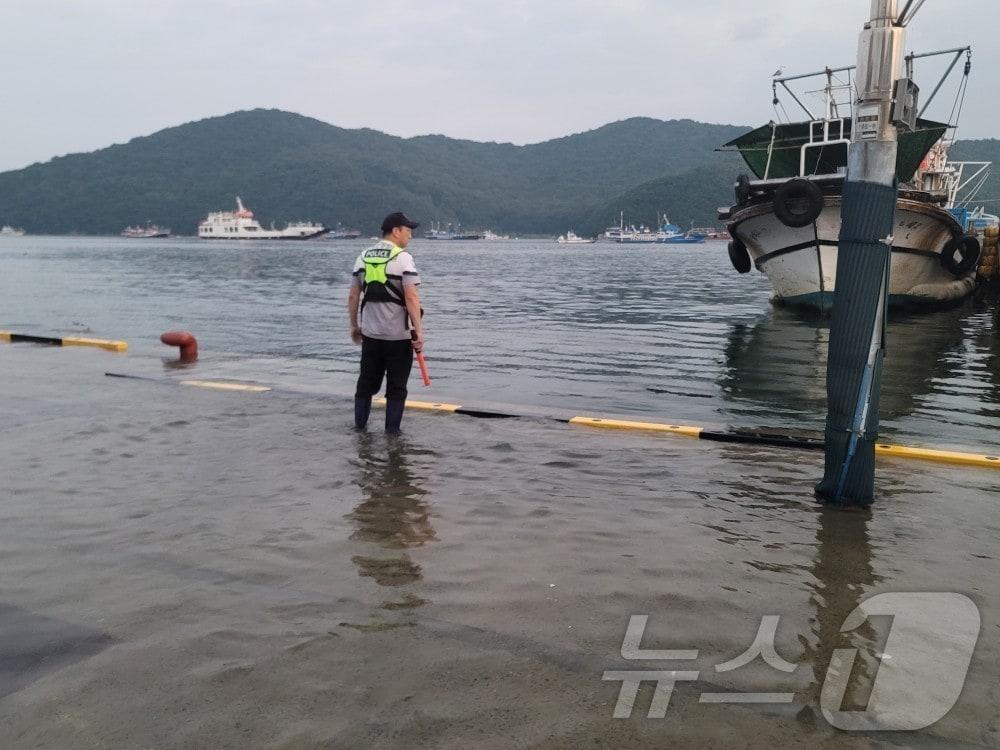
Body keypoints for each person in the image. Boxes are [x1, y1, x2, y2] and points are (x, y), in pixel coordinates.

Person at [348, 212, 424, 433]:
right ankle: (392, 436)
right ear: (396, 231)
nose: (410, 236)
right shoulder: (403, 258)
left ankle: (359, 430)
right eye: (408, 231)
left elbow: (353, 296)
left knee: (365, 385)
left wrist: (354, 326)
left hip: (370, 336)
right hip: (398, 338)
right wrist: (419, 331)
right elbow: (411, 297)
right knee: (397, 388)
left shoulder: (362, 256)